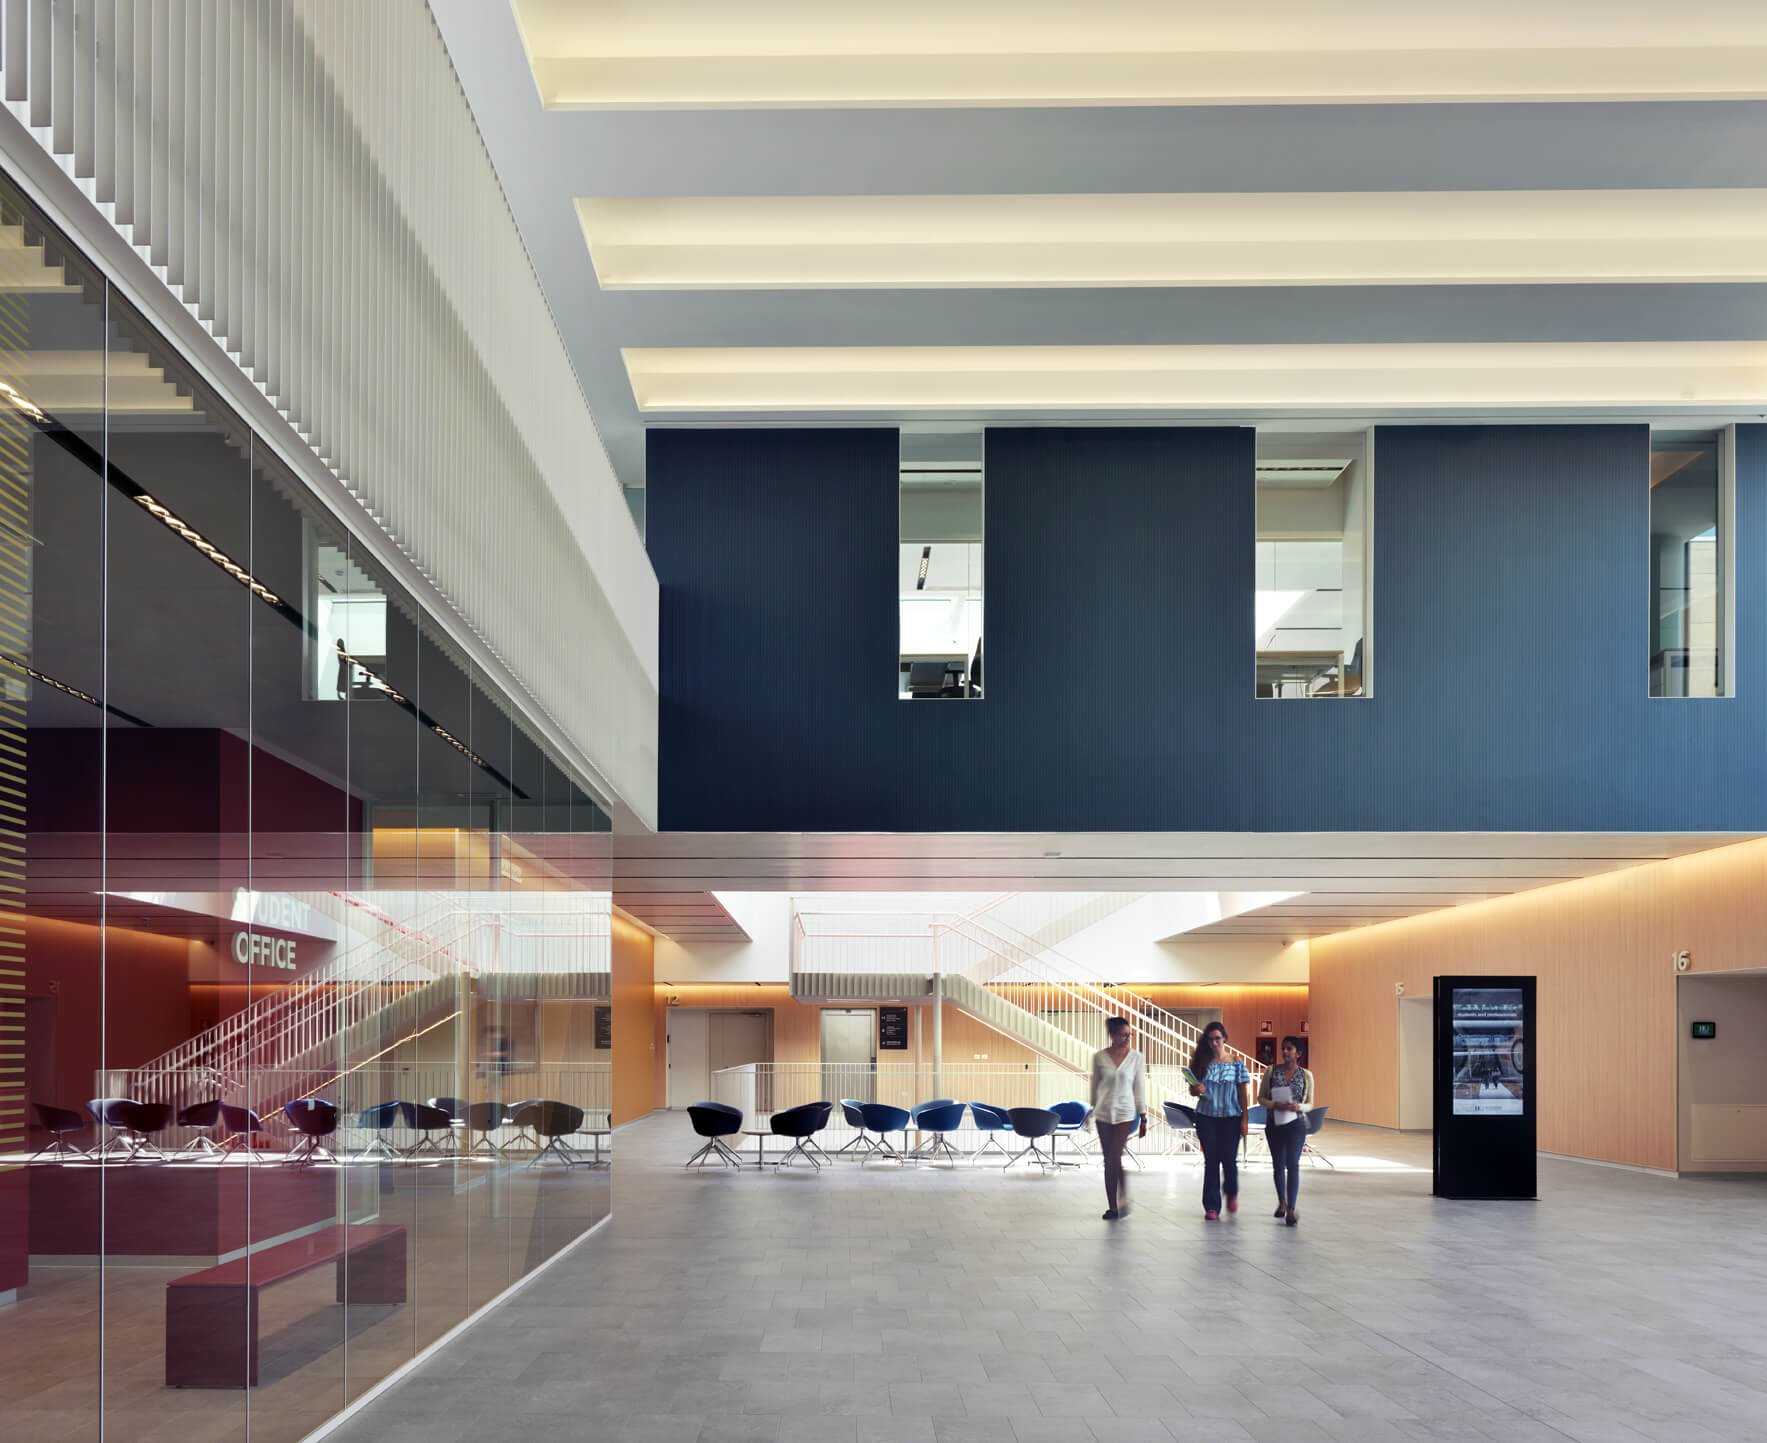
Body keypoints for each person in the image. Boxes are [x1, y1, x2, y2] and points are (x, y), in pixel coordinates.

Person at [1187, 1020, 1250, 1220]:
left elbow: (1243, 1092)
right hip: (1206, 1117)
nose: (1214, 1043)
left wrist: (1245, 1119)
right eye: (1210, 1039)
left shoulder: (1236, 1062)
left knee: (1229, 1160)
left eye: (1218, 1039)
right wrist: (1196, 1090)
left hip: (1231, 1117)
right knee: (1211, 1161)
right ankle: (1212, 1206)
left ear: (1225, 1039)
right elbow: (1192, 1090)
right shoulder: (1202, 1063)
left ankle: (1231, 1191)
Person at [1089, 1016, 1146, 1220]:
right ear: (1112, 1035)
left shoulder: (1136, 1058)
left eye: (1129, 1034)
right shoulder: (1099, 1057)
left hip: (1125, 1113)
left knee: (1114, 1156)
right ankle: (1113, 1207)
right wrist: (1091, 1109)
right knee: (1110, 1160)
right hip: (1103, 1113)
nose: (1127, 1038)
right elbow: (1095, 1085)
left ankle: (1123, 1199)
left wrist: (1143, 1115)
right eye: (1123, 1035)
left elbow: (1139, 1087)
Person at [1258, 1034, 1313, 1226]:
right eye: (1283, 1048)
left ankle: (1291, 1209)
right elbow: (1261, 1098)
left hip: (1296, 1124)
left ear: (1298, 1053)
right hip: (1275, 1123)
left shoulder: (1306, 1075)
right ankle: (1282, 1202)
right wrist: (1275, 1104)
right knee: (1278, 1164)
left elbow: (1310, 1104)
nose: (1285, 1052)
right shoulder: (1271, 1071)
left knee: (1293, 1164)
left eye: (1289, 1048)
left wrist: (1299, 1107)